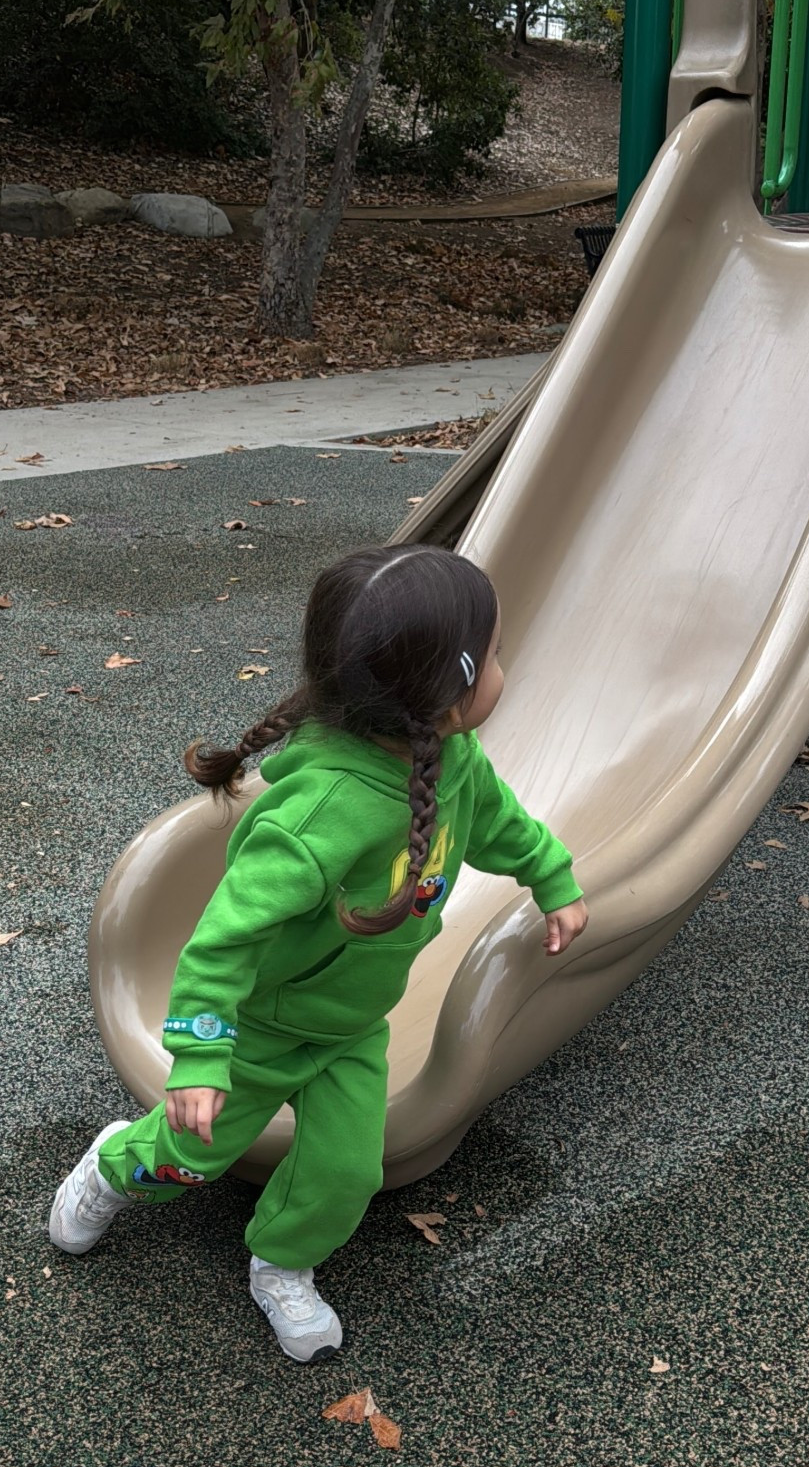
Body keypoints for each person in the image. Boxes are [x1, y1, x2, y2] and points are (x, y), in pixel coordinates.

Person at [49, 544, 588, 1361]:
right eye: (499, 656)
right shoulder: (320, 817)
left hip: (349, 1028)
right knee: (188, 1163)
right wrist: (198, 1059)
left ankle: (282, 1263)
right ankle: (114, 1164)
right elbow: (223, 939)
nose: (506, 670)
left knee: (346, 1174)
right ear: (445, 691)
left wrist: (551, 877)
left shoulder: (455, 758)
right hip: (264, 1030)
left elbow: (500, 822)